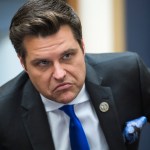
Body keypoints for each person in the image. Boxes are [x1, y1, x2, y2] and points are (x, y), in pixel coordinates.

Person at [0, 0, 150, 150]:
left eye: (67, 56)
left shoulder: (129, 73)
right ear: (23, 63)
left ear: (83, 47)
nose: (59, 74)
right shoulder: (4, 113)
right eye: (43, 63)